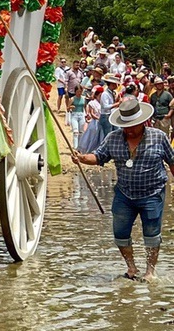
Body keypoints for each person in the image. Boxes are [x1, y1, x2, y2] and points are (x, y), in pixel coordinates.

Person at [74, 95, 174, 281]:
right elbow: (99, 156)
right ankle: (131, 267)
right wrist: (82, 158)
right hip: (124, 194)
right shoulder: (113, 138)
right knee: (120, 233)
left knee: (152, 234)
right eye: (125, 126)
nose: (129, 129)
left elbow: (172, 161)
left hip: (152, 193)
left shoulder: (158, 137)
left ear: (143, 122)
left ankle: (150, 271)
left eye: (133, 125)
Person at [80, 85, 103, 153]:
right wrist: (98, 118)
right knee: (92, 135)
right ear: (96, 95)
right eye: (100, 96)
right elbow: (92, 114)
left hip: (101, 122)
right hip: (95, 122)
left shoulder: (102, 104)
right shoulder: (92, 103)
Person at [67, 84, 86, 149]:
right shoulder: (72, 99)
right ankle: (75, 147)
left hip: (81, 115)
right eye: (78, 91)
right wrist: (70, 107)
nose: (79, 93)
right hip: (74, 115)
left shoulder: (83, 98)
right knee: (75, 132)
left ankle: (79, 147)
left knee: (81, 132)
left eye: (80, 91)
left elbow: (85, 107)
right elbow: (67, 109)